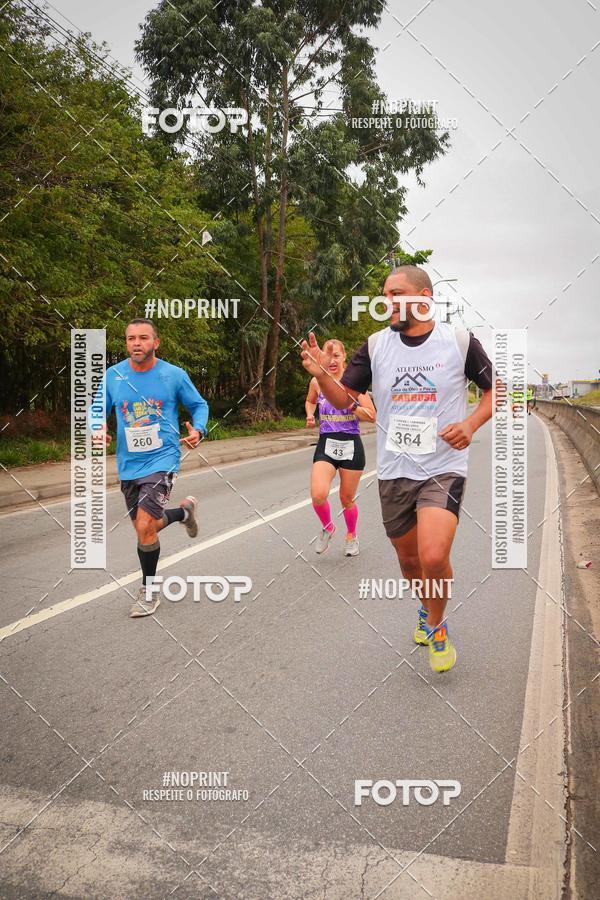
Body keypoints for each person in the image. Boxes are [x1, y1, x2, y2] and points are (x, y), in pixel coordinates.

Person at [300, 266, 494, 673]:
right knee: (409, 562)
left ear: (423, 298)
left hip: (443, 467)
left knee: (433, 554)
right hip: (394, 472)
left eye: (396, 294)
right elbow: (344, 399)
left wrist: (471, 424)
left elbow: (496, 389)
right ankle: (426, 608)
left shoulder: (458, 342)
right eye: (385, 294)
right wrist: (320, 375)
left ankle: (437, 626)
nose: (387, 302)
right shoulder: (375, 346)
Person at [91, 318, 209, 618]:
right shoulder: (114, 376)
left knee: (145, 526)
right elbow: (97, 409)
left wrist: (198, 429)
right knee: (147, 528)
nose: (136, 343)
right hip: (129, 463)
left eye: (143, 338)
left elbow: (199, 405)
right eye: (131, 338)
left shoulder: (173, 375)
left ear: (155, 342)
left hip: (163, 458)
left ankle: (149, 590)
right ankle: (184, 513)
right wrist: (97, 427)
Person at [305, 340, 376, 556]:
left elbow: (372, 416)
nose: (332, 360)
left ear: (344, 357)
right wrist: (310, 414)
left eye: (336, 355)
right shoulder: (317, 382)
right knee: (318, 494)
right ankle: (328, 527)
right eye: (329, 356)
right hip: (327, 441)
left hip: (351, 444)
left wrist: (352, 405)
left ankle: (351, 536)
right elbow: (310, 400)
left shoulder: (354, 384)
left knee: (346, 498)